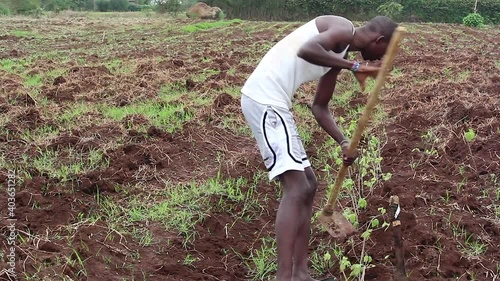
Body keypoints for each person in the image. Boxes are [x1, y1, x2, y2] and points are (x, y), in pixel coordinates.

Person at [240, 15, 398, 281]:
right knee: (297, 187)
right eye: (386, 52)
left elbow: (319, 107)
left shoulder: (338, 56)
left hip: (275, 104)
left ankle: (301, 273)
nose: (381, 59)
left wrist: (344, 142)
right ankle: (284, 277)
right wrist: (355, 66)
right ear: (378, 40)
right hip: (264, 100)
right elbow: (308, 49)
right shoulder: (342, 28)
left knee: (309, 185)